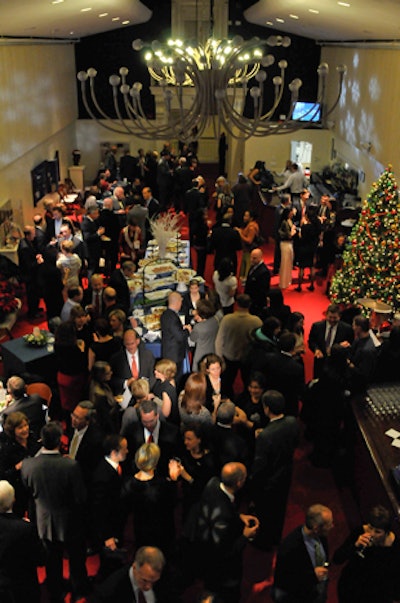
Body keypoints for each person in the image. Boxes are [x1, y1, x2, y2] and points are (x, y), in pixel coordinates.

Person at [21, 422, 90, 603]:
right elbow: (80, 497)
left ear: (41, 440)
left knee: (52, 560)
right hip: (71, 521)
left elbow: (27, 491)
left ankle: (55, 591)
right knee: (76, 559)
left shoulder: (28, 465)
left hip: (44, 522)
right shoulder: (71, 466)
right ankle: (78, 591)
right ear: (60, 441)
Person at [196, 462, 259, 602]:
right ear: (239, 483)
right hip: (221, 569)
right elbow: (226, 552)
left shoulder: (213, 484)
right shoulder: (225, 517)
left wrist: (239, 516)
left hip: (202, 545)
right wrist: (245, 536)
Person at [250, 390, 300, 549]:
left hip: (268, 482)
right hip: (285, 475)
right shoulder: (292, 422)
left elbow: (260, 467)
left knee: (265, 512)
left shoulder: (265, 437)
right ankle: (275, 537)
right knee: (279, 509)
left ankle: (263, 542)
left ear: (267, 409)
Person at [333, 505, 400, 603]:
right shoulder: (359, 532)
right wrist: (355, 545)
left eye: (377, 532)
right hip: (351, 587)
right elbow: (337, 559)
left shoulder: (396, 548)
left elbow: (395, 580)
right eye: (370, 528)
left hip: (374, 595)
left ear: (387, 532)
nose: (371, 534)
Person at [272, 504, 334, 603]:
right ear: (316, 528)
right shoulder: (289, 547)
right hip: (298, 595)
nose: (332, 526)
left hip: (316, 587)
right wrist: (313, 576)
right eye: (329, 524)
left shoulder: (322, 535)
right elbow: (286, 580)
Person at [122, 442, 175, 554]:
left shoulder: (128, 483)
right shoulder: (161, 485)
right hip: (160, 531)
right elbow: (171, 505)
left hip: (138, 529)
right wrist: (173, 479)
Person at [90, 435, 128, 577]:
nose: (127, 451)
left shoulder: (116, 467)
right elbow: (99, 510)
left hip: (116, 525)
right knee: (109, 567)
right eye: (124, 449)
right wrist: (107, 536)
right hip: (109, 530)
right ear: (114, 453)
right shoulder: (102, 476)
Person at [0, 480, 41, 603]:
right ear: (13, 500)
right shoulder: (25, 529)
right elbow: (40, 558)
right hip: (22, 589)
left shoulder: (24, 528)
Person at [215, 294, 262, 399]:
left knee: (227, 383)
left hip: (230, 356)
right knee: (247, 381)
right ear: (250, 305)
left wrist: (219, 358)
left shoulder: (227, 319)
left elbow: (219, 340)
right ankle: (247, 400)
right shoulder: (256, 321)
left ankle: (228, 401)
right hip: (248, 357)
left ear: (236, 304)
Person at [121, 399, 179, 477]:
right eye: (145, 422)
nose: (148, 425)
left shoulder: (172, 433)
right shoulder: (132, 431)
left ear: (157, 416)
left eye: (151, 421)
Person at [0, 412, 41, 517]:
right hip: (19, 488)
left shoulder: (32, 438)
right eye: (20, 427)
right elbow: (4, 474)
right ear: (12, 430)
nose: (25, 429)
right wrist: (17, 467)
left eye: (26, 425)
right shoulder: (6, 449)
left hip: (35, 483)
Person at [92, 545, 165, 603]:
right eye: (144, 581)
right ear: (134, 567)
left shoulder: (164, 579)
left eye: (153, 582)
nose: (149, 587)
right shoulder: (110, 591)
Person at [109, 328, 155, 408]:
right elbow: (112, 380)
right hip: (126, 401)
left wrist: (144, 391)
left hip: (145, 399)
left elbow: (153, 376)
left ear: (137, 341)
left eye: (132, 343)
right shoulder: (116, 359)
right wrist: (126, 383)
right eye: (127, 344)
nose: (130, 347)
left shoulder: (148, 355)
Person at [308, 303, 354, 378]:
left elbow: (350, 346)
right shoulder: (317, 326)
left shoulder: (347, 329)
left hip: (337, 365)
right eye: (330, 317)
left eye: (335, 318)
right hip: (320, 362)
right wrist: (316, 349)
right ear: (326, 315)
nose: (332, 320)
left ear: (339, 317)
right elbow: (311, 341)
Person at [54, 320, 87, 415]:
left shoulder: (57, 345)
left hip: (61, 376)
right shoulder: (74, 349)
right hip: (74, 378)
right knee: (74, 401)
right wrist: (83, 350)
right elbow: (81, 363)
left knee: (65, 399)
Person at [0, 376, 47, 441]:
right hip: (40, 435)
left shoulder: (7, 412)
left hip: (20, 441)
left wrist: (6, 404)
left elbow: (5, 432)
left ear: (9, 391)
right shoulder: (37, 398)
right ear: (26, 387)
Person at [160, 291, 191, 379]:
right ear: (177, 302)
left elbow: (172, 330)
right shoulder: (172, 317)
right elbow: (180, 337)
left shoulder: (165, 314)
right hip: (174, 355)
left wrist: (181, 328)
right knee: (175, 378)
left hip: (168, 352)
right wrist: (188, 330)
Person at [89, 361, 122, 434]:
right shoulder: (99, 394)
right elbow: (107, 416)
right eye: (108, 373)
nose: (111, 373)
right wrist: (116, 404)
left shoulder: (101, 383)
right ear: (100, 375)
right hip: (105, 428)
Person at [18, 225, 43, 319]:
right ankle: (33, 312)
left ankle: (35, 309)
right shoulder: (25, 248)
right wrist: (38, 262)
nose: (35, 235)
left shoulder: (27, 242)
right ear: (28, 235)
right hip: (29, 276)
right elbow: (28, 265)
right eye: (33, 233)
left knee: (35, 293)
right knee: (32, 294)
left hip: (32, 275)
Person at [295, 207, 321, 292]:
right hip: (312, 248)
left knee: (301, 268)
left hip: (304, 248)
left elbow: (301, 238)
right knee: (312, 267)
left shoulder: (305, 227)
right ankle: (312, 285)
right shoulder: (317, 227)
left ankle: (299, 286)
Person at [190, 299, 220, 371]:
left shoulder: (198, 327)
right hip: (212, 350)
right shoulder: (216, 320)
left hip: (200, 354)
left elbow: (192, 338)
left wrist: (190, 330)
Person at [244, 247, 271, 317]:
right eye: (251, 257)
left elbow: (262, 291)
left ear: (260, 258)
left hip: (257, 304)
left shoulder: (264, 272)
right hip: (251, 301)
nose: (251, 260)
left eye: (254, 258)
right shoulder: (253, 266)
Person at [152, 358, 179, 425]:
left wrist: (153, 398)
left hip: (166, 424)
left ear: (165, 373)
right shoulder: (160, 382)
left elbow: (165, 413)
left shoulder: (167, 389)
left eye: (158, 371)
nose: (155, 372)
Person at [236, 209, 260, 279]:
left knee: (246, 274)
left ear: (251, 218)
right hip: (246, 251)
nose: (244, 217)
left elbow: (249, 240)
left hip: (249, 253)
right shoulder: (249, 225)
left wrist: (240, 233)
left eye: (246, 216)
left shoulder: (252, 227)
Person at [278, 207, 297, 290]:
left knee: (289, 263)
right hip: (285, 244)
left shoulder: (289, 221)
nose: (292, 214)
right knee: (285, 263)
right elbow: (289, 234)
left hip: (289, 243)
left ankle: (287, 280)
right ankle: (283, 282)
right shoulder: (284, 222)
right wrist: (293, 231)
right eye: (291, 212)